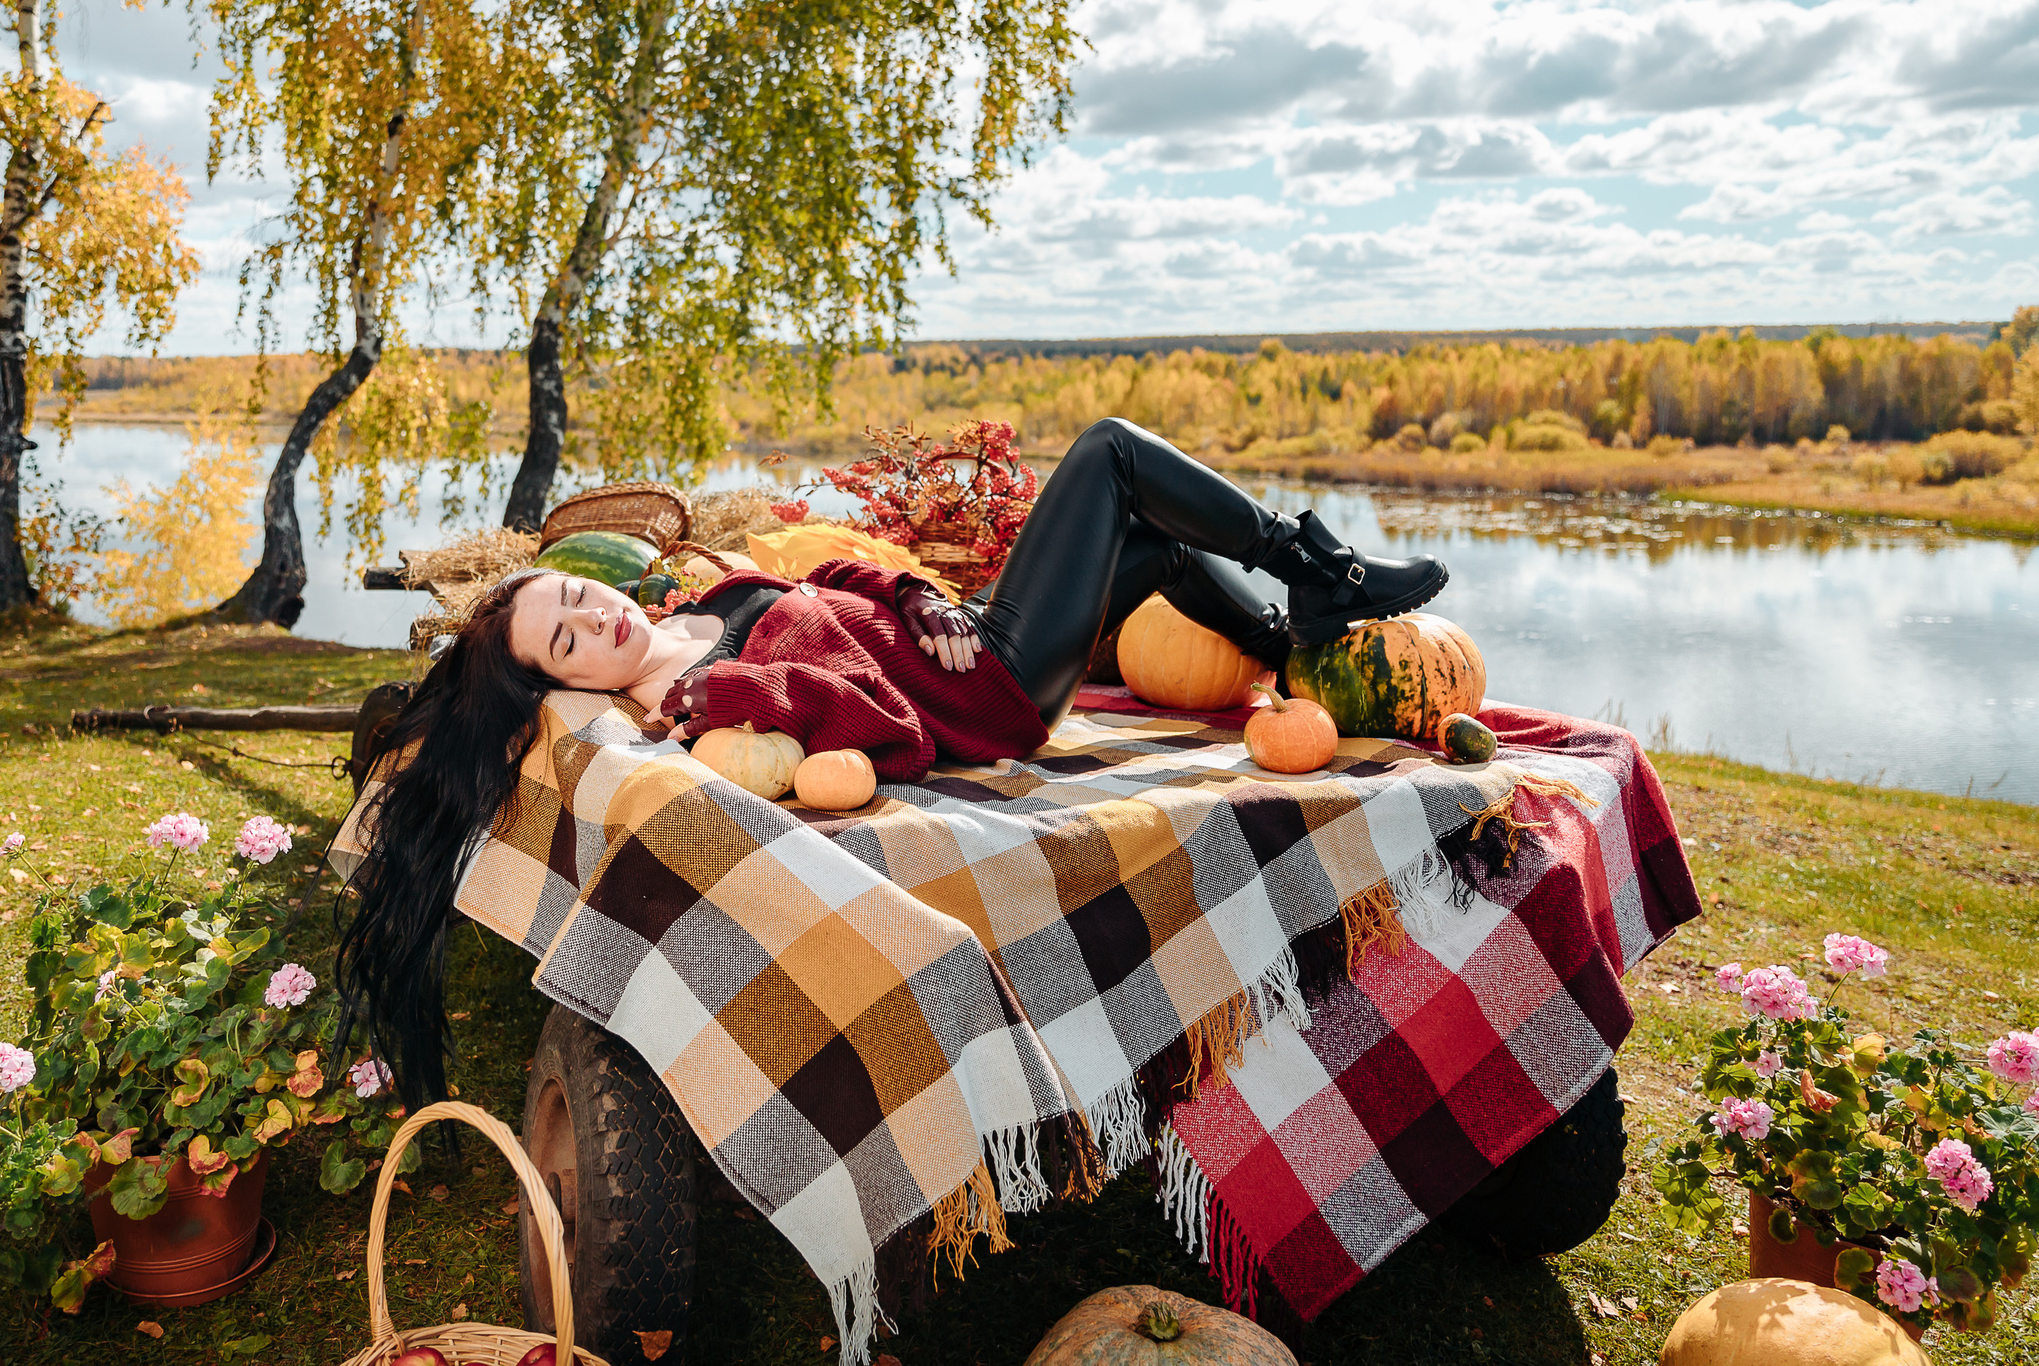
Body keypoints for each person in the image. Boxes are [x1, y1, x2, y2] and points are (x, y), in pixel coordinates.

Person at [336, 418, 1446, 1104]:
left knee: (1152, 546)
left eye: (581, 599)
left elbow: (840, 580)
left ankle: (1293, 636)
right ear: (558, 684)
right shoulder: (695, 703)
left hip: (962, 635)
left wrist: (915, 590)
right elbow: (883, 729)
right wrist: (773, 675)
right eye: (565, 642)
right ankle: (1322, 569)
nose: (594, 623)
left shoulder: (703, 599)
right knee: (1108, 450)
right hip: (989, 695)